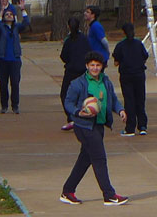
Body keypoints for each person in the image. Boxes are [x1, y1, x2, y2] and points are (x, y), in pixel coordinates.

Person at [60, 51, 130, 206]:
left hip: (99, 125)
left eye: (98, 65)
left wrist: (120, 110)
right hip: (84, 126)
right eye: (92, 65)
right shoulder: (78, 83)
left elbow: (112, 98)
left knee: (85, 159)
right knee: (99, 158)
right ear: (87, 66)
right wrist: (78, 112)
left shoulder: (106, 81)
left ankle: (67, 191)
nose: (95, 68)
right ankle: (109, 195)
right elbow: (68, 102)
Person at [112, 22, 150, 136]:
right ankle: (142, 126)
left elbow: (116, 62)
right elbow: (145, 56)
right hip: (139, 74)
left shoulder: (120, 45)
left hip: (126, 75)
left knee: (129, 101)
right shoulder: (139, 44)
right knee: (140, 99)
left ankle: (130, 127)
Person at [0, 4, 29, 114]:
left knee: (15, 83)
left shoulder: (16, 28)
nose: (9, 16)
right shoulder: (1, 28)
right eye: (7, 15)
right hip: (2, 59)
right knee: (3, 84)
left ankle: (15, 105)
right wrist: (1, 11)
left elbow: (26, 23)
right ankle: (4, 106)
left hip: (15, 60)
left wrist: (22, 9)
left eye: (11, 14)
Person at [58, 15, 91, 131]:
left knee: (65, 95)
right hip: (83, 71)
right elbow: (89, 53)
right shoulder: (85, 39)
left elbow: (63, 56)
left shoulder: (68, 41)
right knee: (82, 96)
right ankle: (81, 118)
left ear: (68, 26)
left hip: (71, 71)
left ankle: (72, 118)